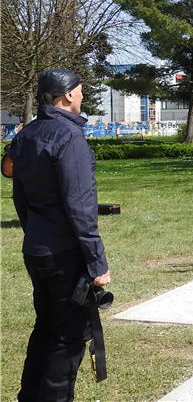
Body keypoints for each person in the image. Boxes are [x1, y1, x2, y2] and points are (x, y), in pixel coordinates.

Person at [7, 69, 111, 402]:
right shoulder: (69, 137)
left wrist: (36, 231)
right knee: (67, 339)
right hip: (65, 255)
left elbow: (19, 197)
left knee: (46, 329)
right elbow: (80, 208)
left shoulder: (26, 135)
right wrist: (97, 263)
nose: (82, 96)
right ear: (66, 95)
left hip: (36, 251)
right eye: (80, 91)